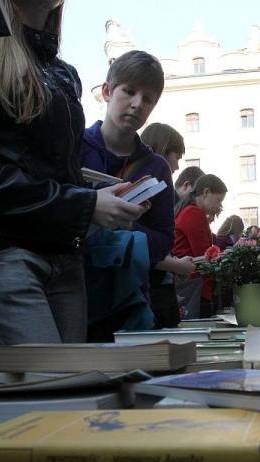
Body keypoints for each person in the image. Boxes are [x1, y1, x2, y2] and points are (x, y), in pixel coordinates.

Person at [0, 0, 146, 346]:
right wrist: (84, 205)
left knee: (67, 390)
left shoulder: (63, 73)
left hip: (61, 255)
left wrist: (102, 201)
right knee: (48, 385)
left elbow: (55, 170)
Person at [81, 50, 177, 338]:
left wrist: (125, 226)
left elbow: (163, 240)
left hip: (131, 302)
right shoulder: (74, 147)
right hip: (75, 293)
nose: (137, 104)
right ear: (108, 91)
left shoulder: (156, 167)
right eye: (130, 91)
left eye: (148, 99)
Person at [140, 122, 196, 328]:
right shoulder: (151, 189)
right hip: (151, 288)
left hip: (161, 284)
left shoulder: (165, 191)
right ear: (162, 151)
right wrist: (176, 265)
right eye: (177, 157)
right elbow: (143, 243)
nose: (177, 166)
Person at [173, 174, 227, 318]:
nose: (219, 206)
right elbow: (206, 257)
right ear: (205, 192)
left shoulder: (186, 210)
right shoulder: (194, 213)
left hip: (187, 283)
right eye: (218, 200)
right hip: (196, 287)